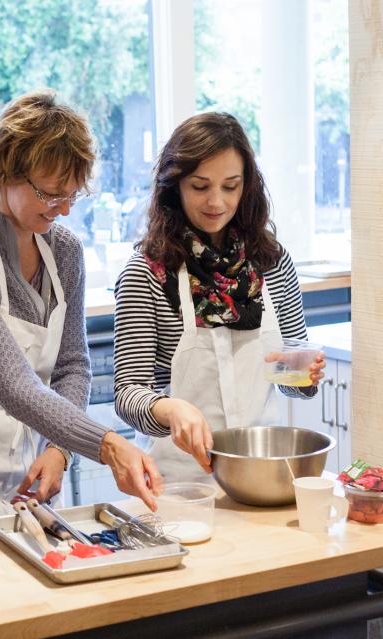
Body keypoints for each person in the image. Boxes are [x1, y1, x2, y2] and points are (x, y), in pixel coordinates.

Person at [0, 90, 164, 533]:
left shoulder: (64, 251)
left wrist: (59, 452)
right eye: (50, 194)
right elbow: (17, 387)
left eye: (72, 195)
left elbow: (72, 366)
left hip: (37, 480)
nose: (64, 209)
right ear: (4, 171)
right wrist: (104, 444)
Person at [113, 112, 326, 483]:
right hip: (176, 483)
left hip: (262, 474)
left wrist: (302, 374)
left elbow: (290, 378)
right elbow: (128, 393)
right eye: (200, 186)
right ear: (174, 185)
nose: (216, 202)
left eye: (230, 186)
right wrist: (169, 409)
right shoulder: (147, 273)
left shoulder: (270, 263)